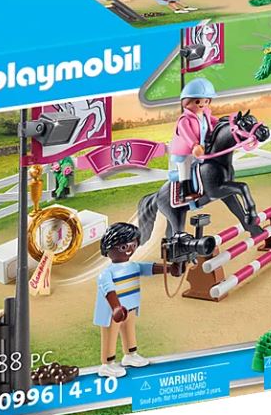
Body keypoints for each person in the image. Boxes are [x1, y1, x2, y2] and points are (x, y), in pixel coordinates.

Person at [93, 223, 180, 378]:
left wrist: (169, 268)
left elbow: (149, 268)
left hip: (130, 307)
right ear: (109, 248)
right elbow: (108, 290)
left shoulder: (133, 266)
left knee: (129, 331)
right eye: (123, 247)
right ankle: (107, 364)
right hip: (113, 313)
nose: (129, 249)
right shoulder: (106, 273)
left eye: (133, 245)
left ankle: (130, 355)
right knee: (110, 335)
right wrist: (116, 307)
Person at [169, 78, 218, 202]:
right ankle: (183, 193)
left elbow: (215, 122)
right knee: (185, 167)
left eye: (206, 101)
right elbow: (186, 133)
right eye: (197, 101)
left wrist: (226, 122)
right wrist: (194, 145)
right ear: (187, 102)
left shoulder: (205, 114)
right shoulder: (184, 119)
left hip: (202, 149)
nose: (202, 104)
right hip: (186, 151)